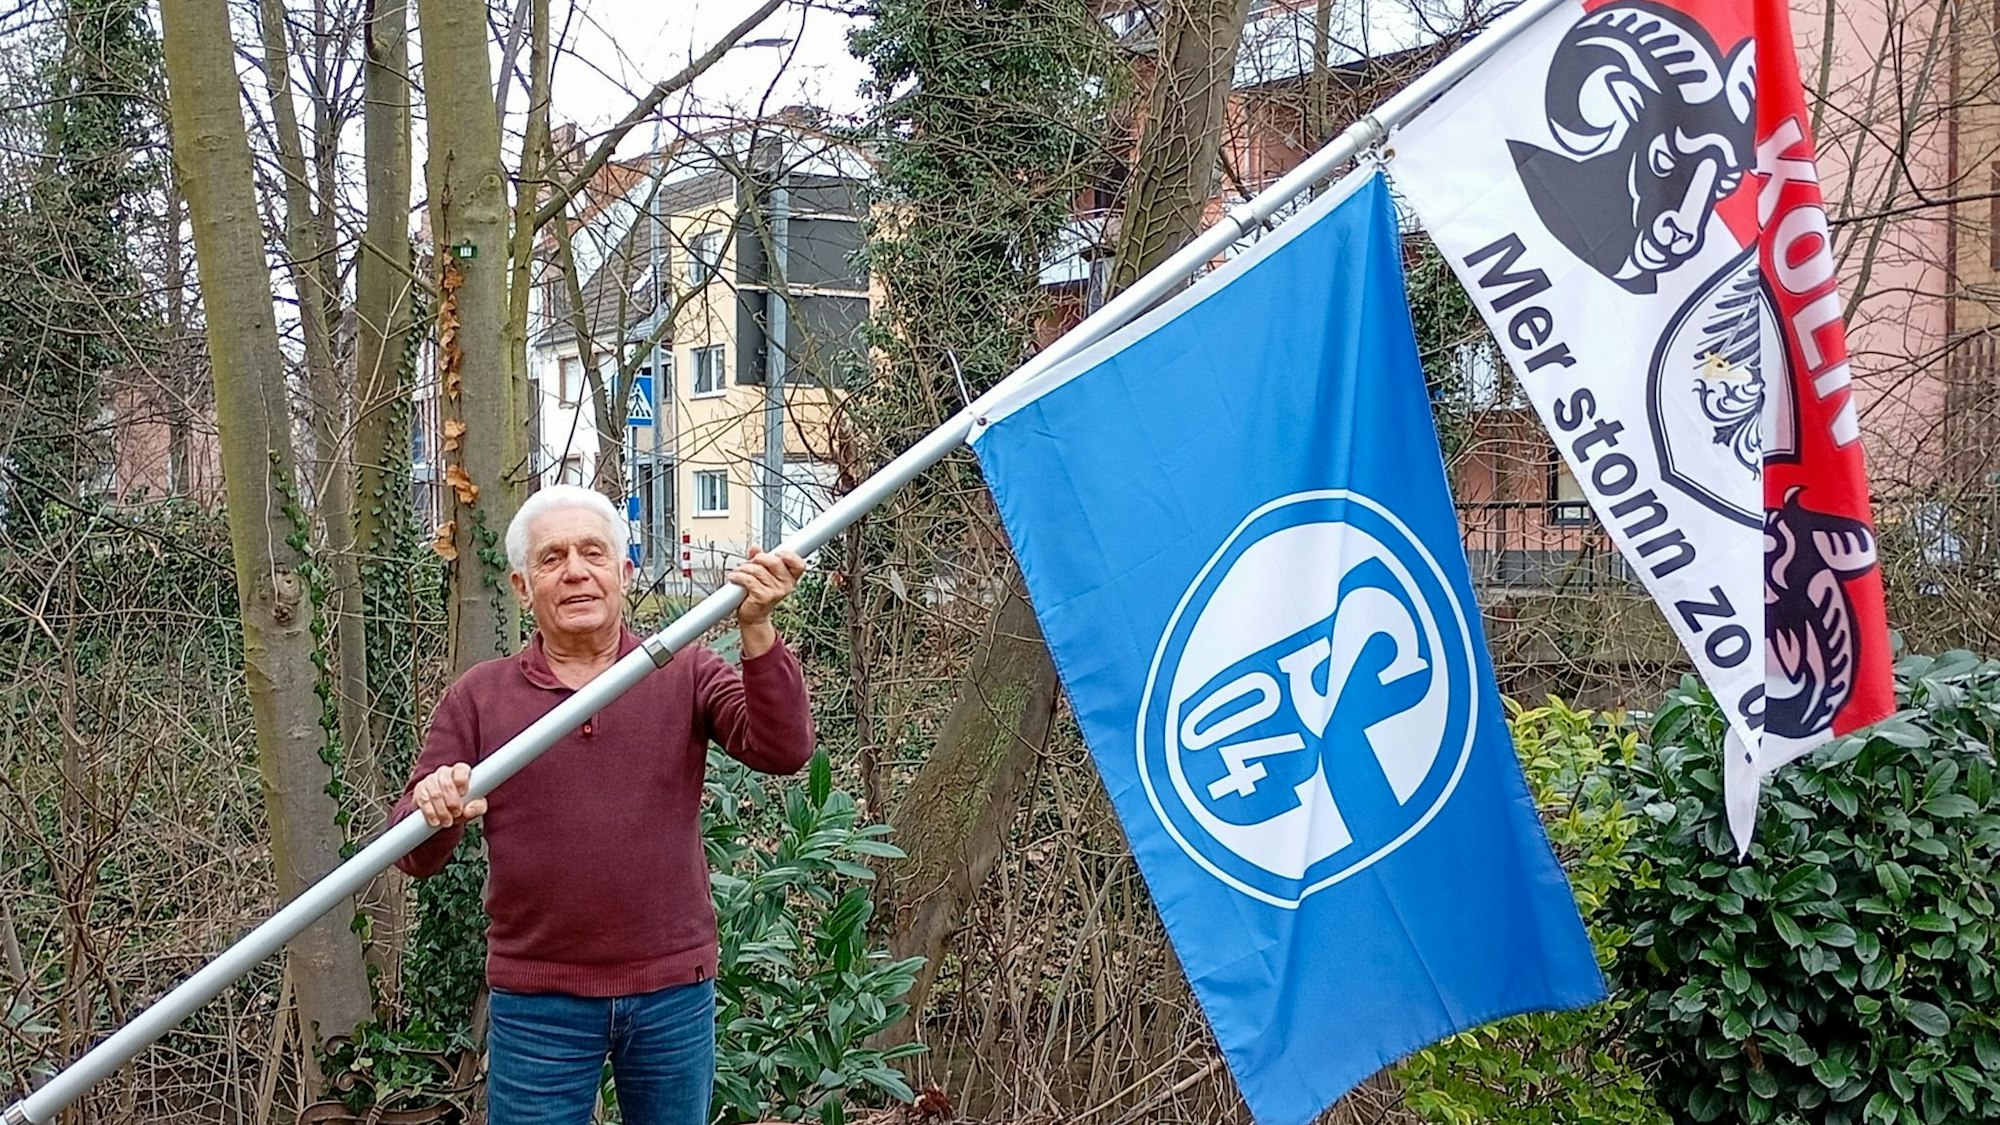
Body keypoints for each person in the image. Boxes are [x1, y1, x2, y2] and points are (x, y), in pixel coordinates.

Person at [390, 484, 814, 1125]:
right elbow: (412, 854)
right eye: (552, 558)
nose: (576, 571)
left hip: (673, 990)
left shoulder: (684, 670)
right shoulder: (480, 698)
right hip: (538, 1002)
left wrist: (756, 629)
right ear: (521, 587)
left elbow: (781, 750)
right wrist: (433, 805)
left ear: (624, 571)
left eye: (593, 553)